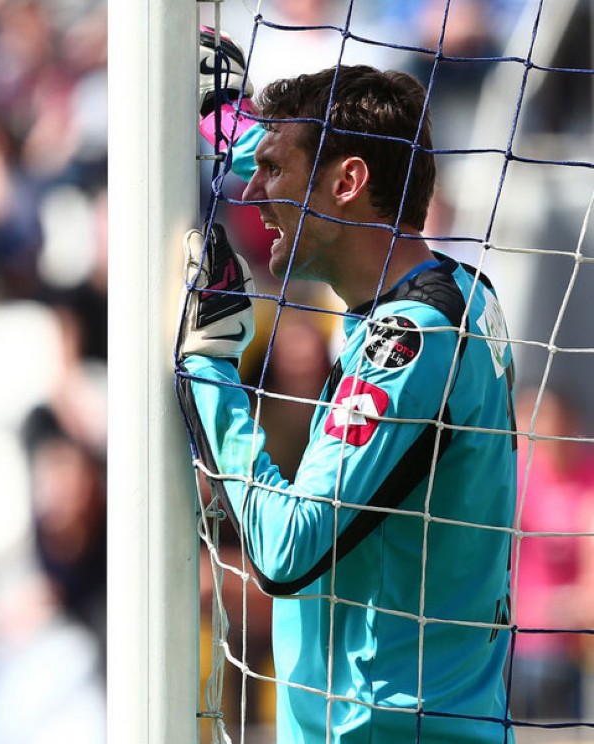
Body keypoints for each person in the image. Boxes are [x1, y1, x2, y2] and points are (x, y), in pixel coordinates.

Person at [176, 28, 518, 743]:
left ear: (348, 183)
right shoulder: (459, 294)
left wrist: (211, 368)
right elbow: (314, 157)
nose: (251, 192)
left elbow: (285, 551)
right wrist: (222, 119)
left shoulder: (413, 341)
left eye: (270, 170)